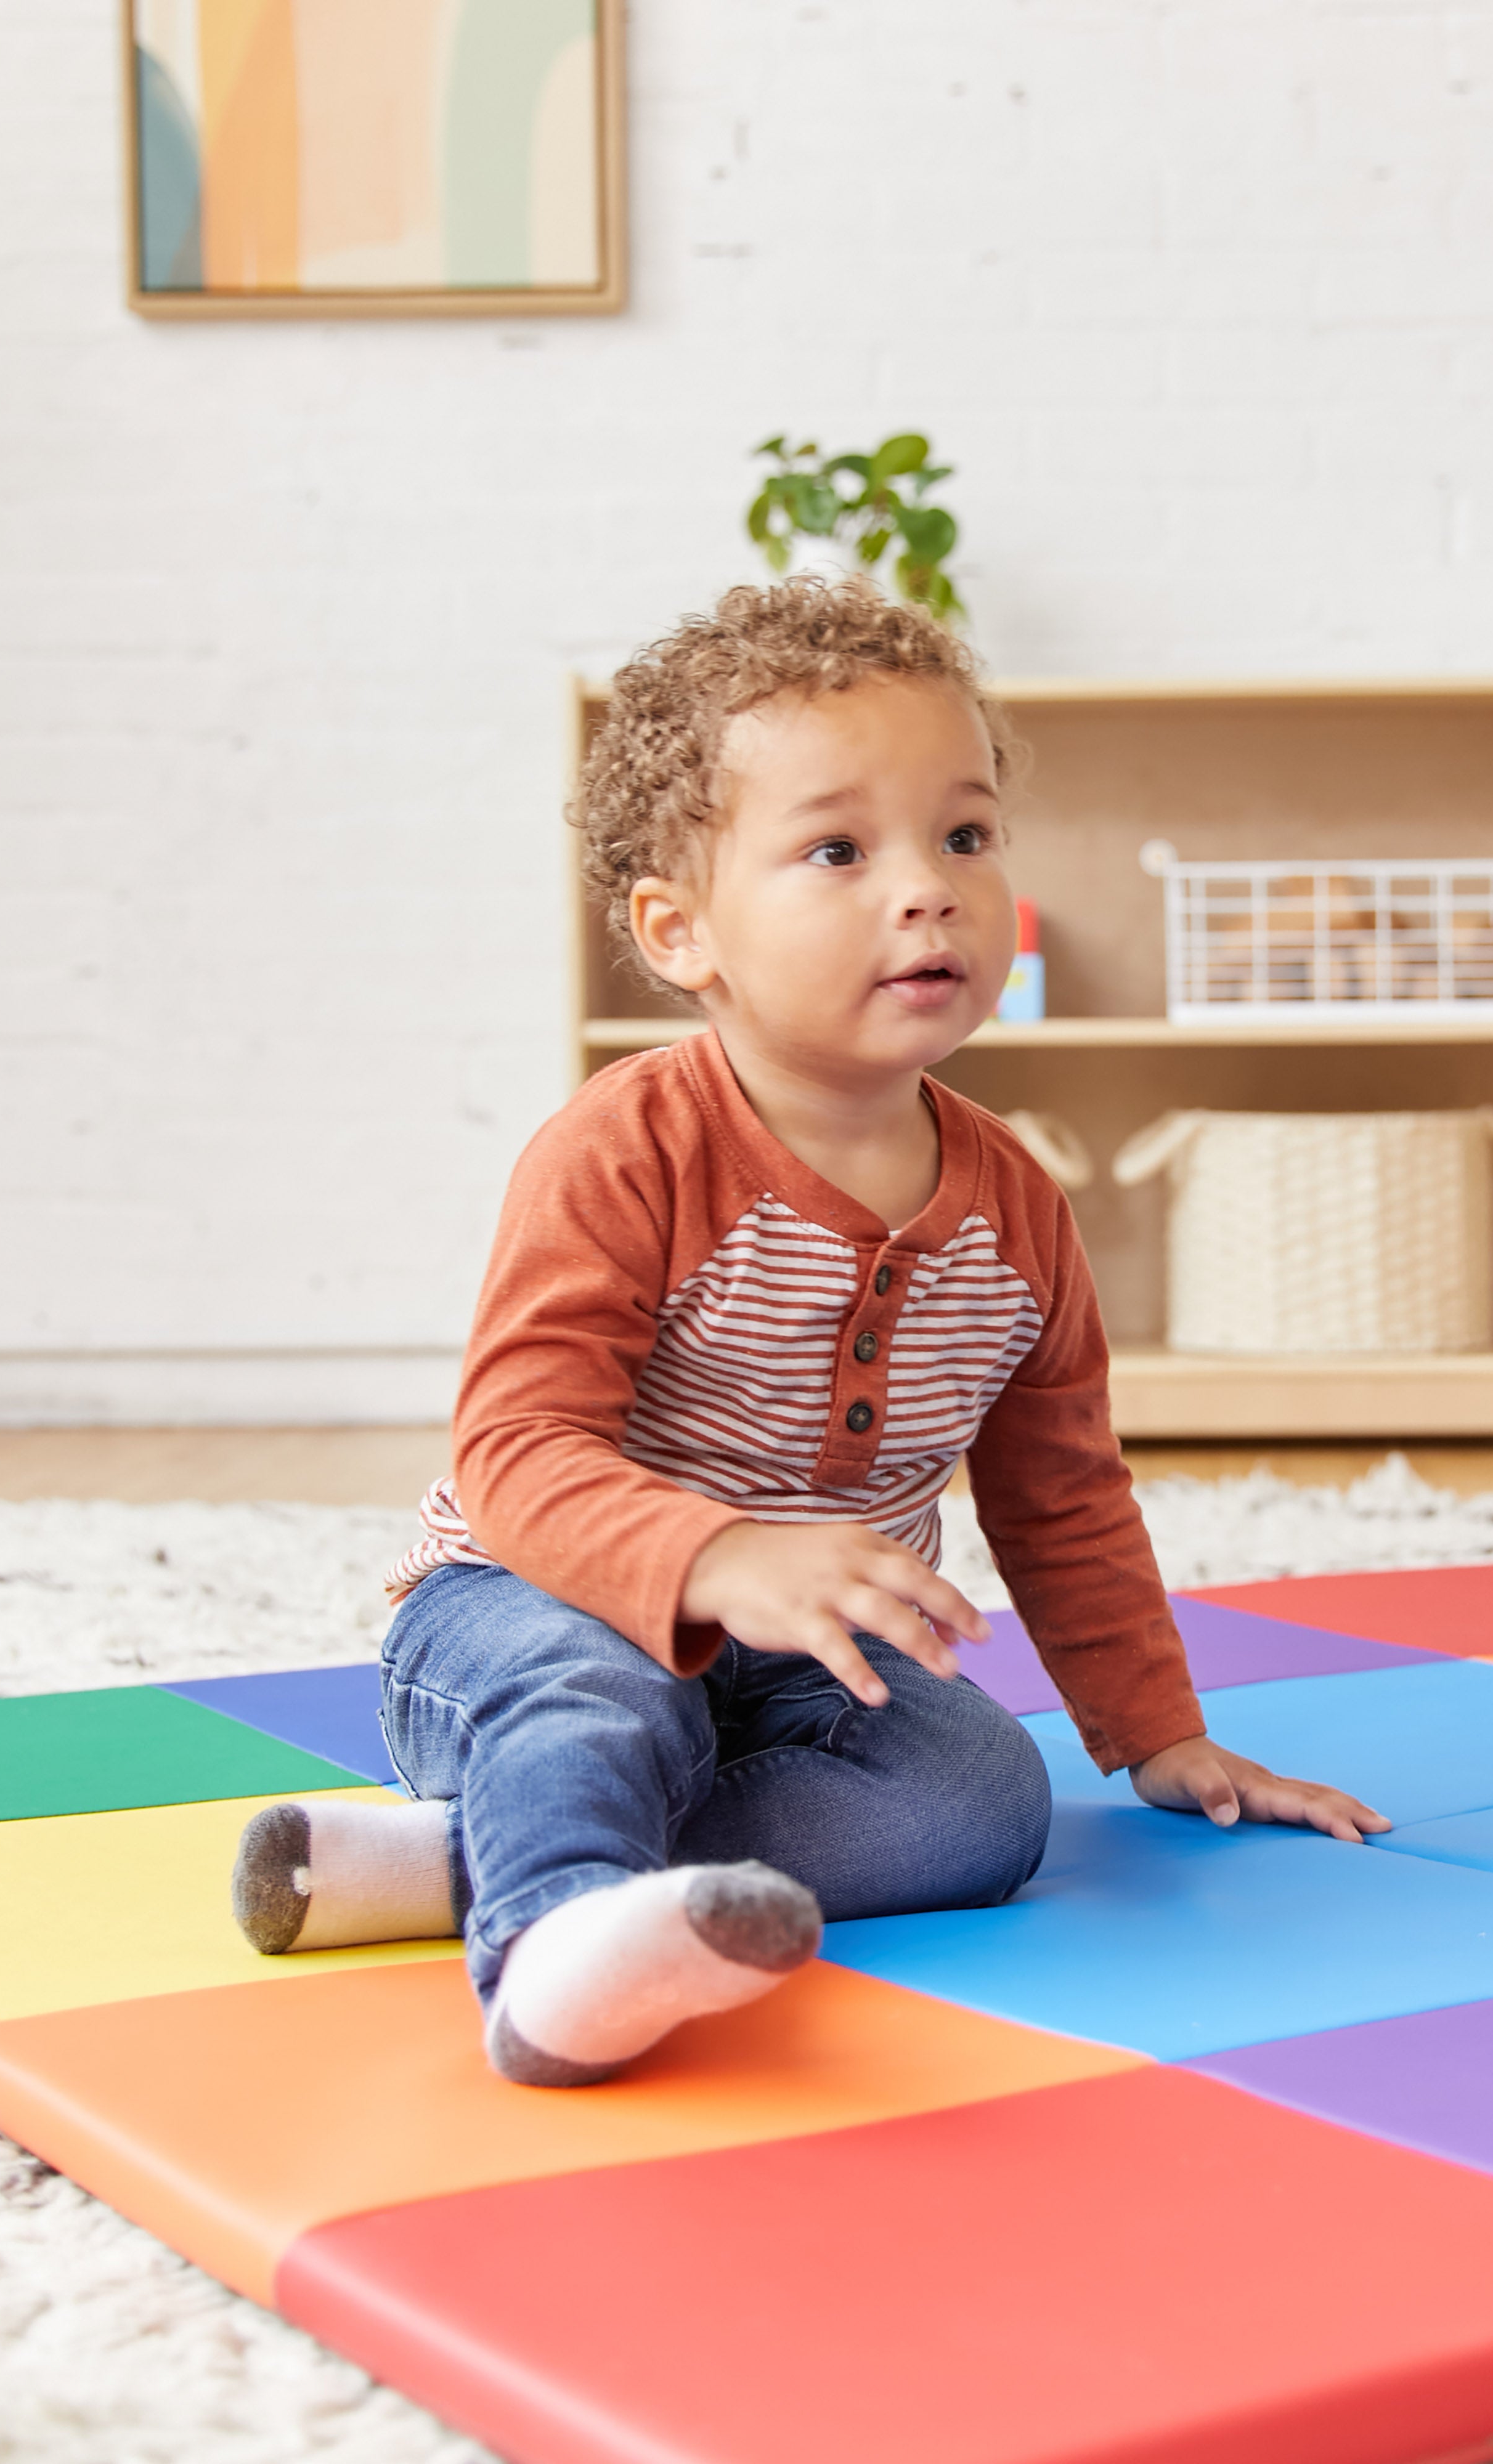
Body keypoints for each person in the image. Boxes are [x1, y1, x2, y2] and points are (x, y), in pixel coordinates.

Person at [229, 577, 1386, 2085]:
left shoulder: (1014, 1203)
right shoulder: (624, 1147)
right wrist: (715, 1559)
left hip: (802, 1665)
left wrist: (1158, 1731)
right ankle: (549, 1950)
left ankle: (458, 1862)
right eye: (838, 850)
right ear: (680, 928)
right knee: (605, 1695)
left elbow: (1062, 1489)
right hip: (531, 1605)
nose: (928, 889)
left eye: (963, 836)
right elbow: (515, 1452)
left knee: (982, 1802)